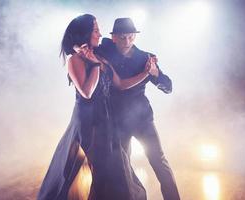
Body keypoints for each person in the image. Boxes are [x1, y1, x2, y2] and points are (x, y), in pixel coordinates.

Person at [37, 14, 155, 200]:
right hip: (88, 122)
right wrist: (93, 65)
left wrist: (146, 73)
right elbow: (87, 92)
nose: (100, 34)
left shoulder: (101, 56)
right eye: (96, 30)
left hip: (106, 119)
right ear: (84, 34)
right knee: (85, 169)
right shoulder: (75, 60)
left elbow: (121, 84)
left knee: (114, 170)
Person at [96, 18, 181, 200]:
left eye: (130, 37)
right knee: (122, 166)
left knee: (158, 161)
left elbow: (168, 87)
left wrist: (155, 73)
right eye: (122, 37)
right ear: (114, 38)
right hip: (117, 120)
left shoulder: (146, 58)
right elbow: (94, 45)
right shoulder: (105, 51)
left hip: (142, 119)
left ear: (134, 36)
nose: (127, 41)